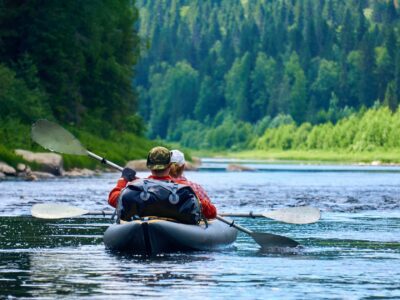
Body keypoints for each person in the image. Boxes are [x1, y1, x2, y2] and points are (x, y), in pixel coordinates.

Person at [108, 146, 174, 208]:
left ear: (149, 165)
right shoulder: (180, 189)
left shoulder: (137, 187)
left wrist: (123, 180)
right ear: (170, 165)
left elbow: (113, 200)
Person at [169, 149, 217, 219]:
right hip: (188, 221)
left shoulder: (158, 186)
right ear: (183, 166)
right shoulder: (195, 187)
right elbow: (212, 213)